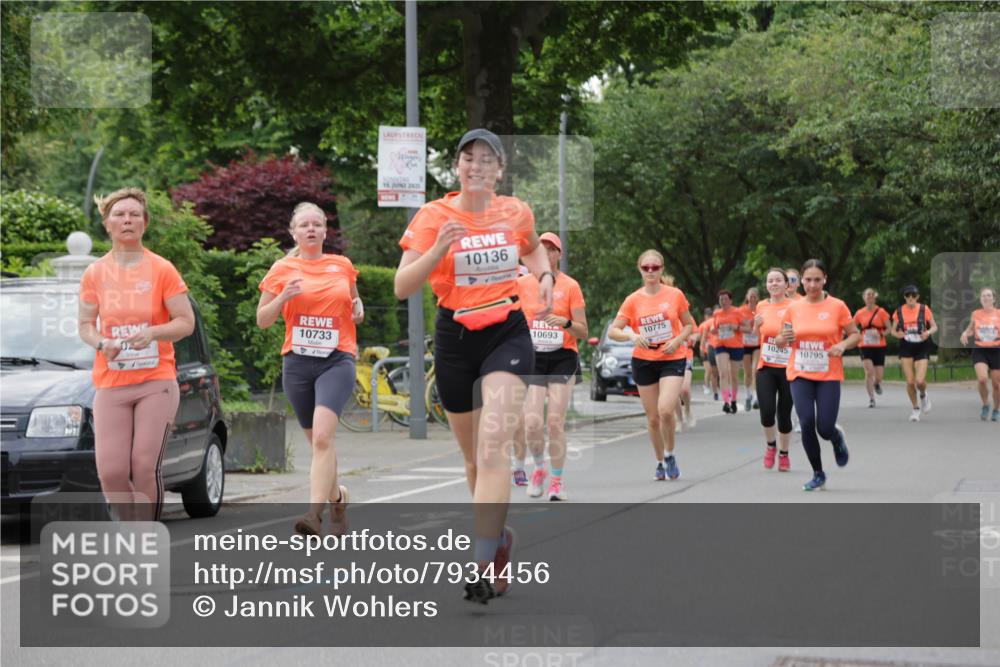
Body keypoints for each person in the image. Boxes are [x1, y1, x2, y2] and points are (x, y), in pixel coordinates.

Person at [394, 128, 553, 604]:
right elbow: (403, 285)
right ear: (457, 167)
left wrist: (543, 275)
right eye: (469, 158)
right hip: (455, 338)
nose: (478, 166)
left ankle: (481, 560)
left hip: (507, 331)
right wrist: (440, 247)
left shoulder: (515, 210)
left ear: (500, 170)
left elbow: (531, 246)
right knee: (471, 459)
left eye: (488, 159)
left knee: (492, 447)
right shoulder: (433, 216)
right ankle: (500, 541)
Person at [78, 188, 195, 521]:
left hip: (155, 381)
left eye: (133, 215)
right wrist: (102, 343)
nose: (126, 220)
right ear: (107, 224)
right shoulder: (95, 273)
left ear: (144, 223)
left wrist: (153, 333)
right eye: (119, 214)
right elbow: (86, 325)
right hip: (112, 383)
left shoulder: (162, 270)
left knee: (144, 465)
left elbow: (185, 322)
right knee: (112, 473)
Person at [257, 202, 362, 536]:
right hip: (298, 363)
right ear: (293, 232)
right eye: (304, 225)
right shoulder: (282, 269)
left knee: (322, 439)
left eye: (318, 224)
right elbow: (263, 320)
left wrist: (358, 310)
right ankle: (338, 498)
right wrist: (282, 296)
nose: (312, 229)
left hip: (337, 358)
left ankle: (313, 515)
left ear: (325, 231)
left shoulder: (342, 265)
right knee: (318, 444)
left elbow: (354, 303)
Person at [609, 250, 694, 481]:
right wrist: (631, 337)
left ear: (661, 269)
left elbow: (688, 325)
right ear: (640, 269)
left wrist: (677, 340)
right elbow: (613, 331)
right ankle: (659, 462)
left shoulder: (675, 295)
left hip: (672, 357)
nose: (650, 271)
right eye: (646, 267)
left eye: (654, 267)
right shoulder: (633, 300)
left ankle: (670, 454)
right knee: (653, 418)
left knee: (666, 409)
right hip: (644, 361)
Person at [518, 232, 588, 501]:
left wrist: (566, 323)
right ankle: (539, 468)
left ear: (559, 254)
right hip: (533, 358)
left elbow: (583, 330)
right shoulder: (522, 284)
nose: (547, 254)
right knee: (532, 423)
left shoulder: (571, 286)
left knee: (555, 422)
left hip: (563, 356)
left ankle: (557, 481)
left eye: (552, 249)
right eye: (541, 249)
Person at [780, 259, 860, 491]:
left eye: (817, 279)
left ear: (825, 279)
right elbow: (779, 338)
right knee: (806, 422)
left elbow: (854, 334)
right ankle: (818, 473)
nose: (812, 285)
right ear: (801, 281)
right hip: (800, 372)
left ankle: (836, 437)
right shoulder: (793, 308)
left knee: (824, 427)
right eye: (808, 280)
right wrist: (783, 338)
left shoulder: (837, 306)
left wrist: (843, 345)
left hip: (828, 373)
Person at [752, 268, 794, 472]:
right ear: (766, 285)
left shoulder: (794, 306)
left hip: (788, 368)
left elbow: (801, 332)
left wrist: (785, 338)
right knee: (766, 412)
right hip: (766, 367)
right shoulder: (761, 305)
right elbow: (757, 334)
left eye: (778, 280)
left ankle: (784, 454)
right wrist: (755, 325)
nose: (774, 284)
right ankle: (771, 446)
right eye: (770, 281)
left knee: (784, 415)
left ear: (786, 285)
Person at [891, 285, 938, 422]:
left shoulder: (924, 309)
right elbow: (893, 331)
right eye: (907, 296)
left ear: (917, 297)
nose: (910, 298)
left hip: (922, 346)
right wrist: (897, 334)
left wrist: (927, 332)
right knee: (910, 381)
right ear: (905, 297)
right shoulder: (899, 311)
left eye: (913, 296)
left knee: (920, 381)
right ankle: (915, 409)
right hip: (906, 346)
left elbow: (934, 326)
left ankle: (923, 394)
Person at [959, 286, 1000, 421]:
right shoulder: (976, 313)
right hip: (980, 350)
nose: (986, 298)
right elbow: (971, 329)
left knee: (996, 384)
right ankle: (985, 404)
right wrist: (965, 333)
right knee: (982, 380)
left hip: (996, 350)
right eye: (983, 296)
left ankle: (996, 409)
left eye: (989, 295)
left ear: (994, 299)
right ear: (980, 299)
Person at [711, 290, 750, 414]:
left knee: (733, 375)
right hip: (720, 345)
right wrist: (713, 329)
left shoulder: (737, 312)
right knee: (723, 373)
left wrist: (737, 327)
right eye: (721, 299)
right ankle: (726, 402)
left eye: (725, 299)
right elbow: (714, 327)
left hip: (736, 346)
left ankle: (733, 400)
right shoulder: (716, 313)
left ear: (730, 300)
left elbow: (749, 329)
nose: (723, 301)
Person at [853, 288, 891, 408]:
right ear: (863, 297)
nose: (869, 297)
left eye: (871, 295)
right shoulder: (859, 313)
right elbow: (852, 327)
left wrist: (880, 334)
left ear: (875, 297)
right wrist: (857, 334)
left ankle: (877, 383)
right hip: (864, 345)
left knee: (879, 375)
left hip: (879, 345)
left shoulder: (881, 312)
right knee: (869, 372)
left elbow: (889, 329)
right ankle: (871, 398)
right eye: (867, 295)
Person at [741, 287, 761, 412]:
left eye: (755, 296)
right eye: (751, 296)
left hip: (757, 343)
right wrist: (746, 327)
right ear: (747, 297)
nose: (752, 298)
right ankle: (747, 396)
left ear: (757, 298)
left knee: (755, 370)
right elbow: (736, 327)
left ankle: (755, 397)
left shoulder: (761, 309)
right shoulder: (741, 311)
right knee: (747, 372)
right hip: (744, 344)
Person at [698, 307, 719, 399]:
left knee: (713, 370)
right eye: (708, 315)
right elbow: (700, 337)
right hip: (707, 350)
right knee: (709, 370)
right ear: (705, 316)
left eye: (710, 315)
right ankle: (706, 386)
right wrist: (702, 347)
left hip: (714, 348)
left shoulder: (715, 322)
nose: (709, 316)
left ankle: (714, 385)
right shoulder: (703, 325)